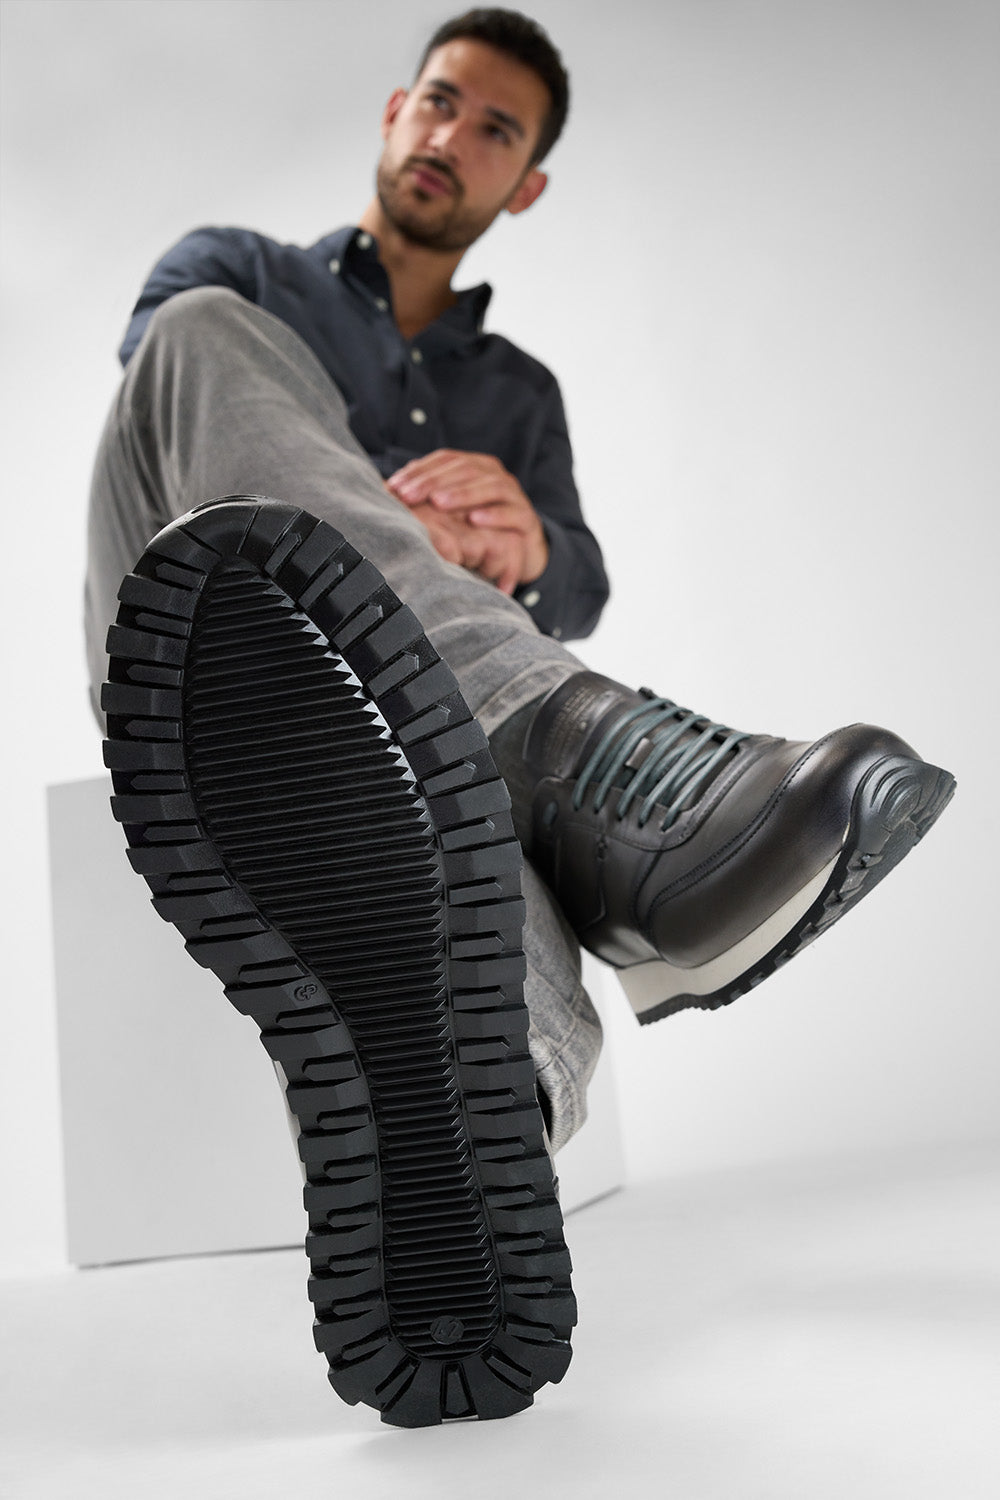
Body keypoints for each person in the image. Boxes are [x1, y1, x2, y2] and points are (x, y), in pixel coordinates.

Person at [87, 8, 954, 1429]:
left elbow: (577, 579)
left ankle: (481, 1124)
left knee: (459, 799)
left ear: (526, 183)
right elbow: (176, 409)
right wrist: (408, 525)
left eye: (496, 128)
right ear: (395, 113)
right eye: (440, 101)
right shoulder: (237, 273)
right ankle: (588, 769)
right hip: (198, 641)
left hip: (417, 717)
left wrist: (528, 546)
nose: (454, 135)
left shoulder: (519, 395)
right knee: (200, 345)